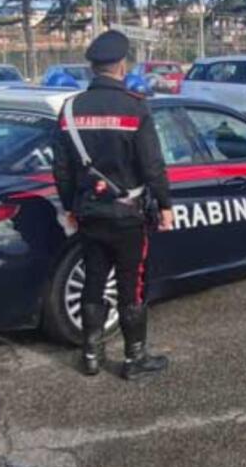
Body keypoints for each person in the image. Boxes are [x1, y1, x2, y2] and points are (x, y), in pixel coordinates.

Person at [52, 30, 176, 380]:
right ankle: (134, 360)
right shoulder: (135, 107)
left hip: (89, 212)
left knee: (94, 279)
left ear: (92, 67)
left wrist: (70, 206)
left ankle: (90, 355)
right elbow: (153, 165)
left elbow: (60, 168)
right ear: (122, 66)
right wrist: (165, 205)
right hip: (127, 215)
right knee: (130, 284)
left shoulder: (70, 109)